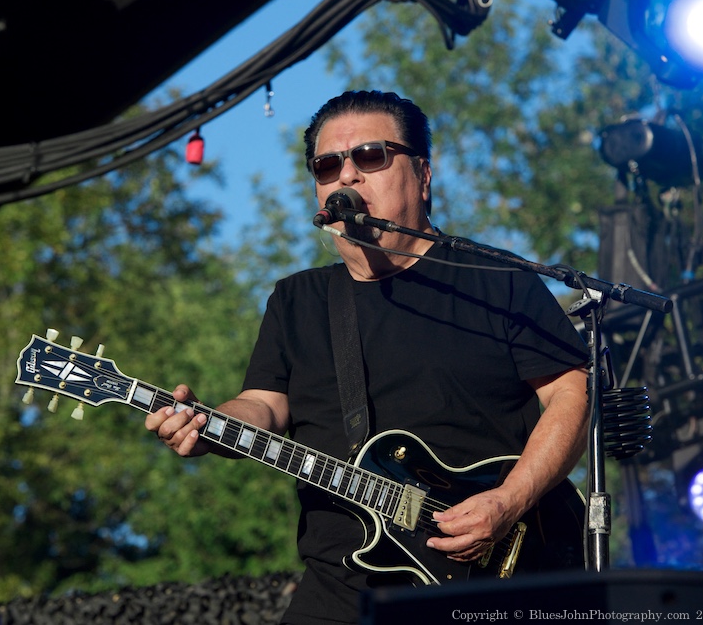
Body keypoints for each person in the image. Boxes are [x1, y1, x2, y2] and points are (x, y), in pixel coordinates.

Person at [145, 90, 590, 624]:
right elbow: (262, 406)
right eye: (328, 165)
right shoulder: (297, 301)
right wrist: (210, 424)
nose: (347, 177)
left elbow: (571, 391)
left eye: (371, 156)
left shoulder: (493, 279)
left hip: (491, 582)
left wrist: (510, 500)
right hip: (339, 592)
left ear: (423, 175)